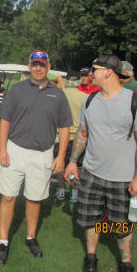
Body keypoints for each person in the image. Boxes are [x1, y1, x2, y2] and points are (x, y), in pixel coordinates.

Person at [64, 55, 137, 272]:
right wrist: (73, 163)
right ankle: (91, 257)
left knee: (122, 225)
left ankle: (125, 263)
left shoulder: (135, 102)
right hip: (92, 173)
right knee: (90, 220)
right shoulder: (90, 100)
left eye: (94, 70)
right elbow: (82, 135)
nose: (90, 74)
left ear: (109, 72)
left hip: (123, 177)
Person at [0, 51, 73, 264]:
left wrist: (61, 156)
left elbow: (65, 127)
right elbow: (5, 121)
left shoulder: (57, 94)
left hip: (43, 153)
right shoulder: (16, 90)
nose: (38, 68)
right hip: (15, 149)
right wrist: (2, 149)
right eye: (34, 64)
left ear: (48, 66)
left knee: (34, 198)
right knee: (8, 196)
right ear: (29, 65)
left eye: (42, 65)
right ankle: (3, 241)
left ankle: (30, 237)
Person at [54, 70, 86, 202]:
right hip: (78, 138)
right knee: (76, 166)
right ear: (79, 81)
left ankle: (61, 190)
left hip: (59, 136)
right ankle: (74, 192)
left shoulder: (58, 95)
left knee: (60, 164)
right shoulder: (85, 97)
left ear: (66, 80)